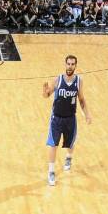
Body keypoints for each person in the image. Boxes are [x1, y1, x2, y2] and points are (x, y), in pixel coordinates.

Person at [42, 54, 91, 187]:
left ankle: (68, 158)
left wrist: (87, 114)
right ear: (65, 64)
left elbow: (81, 99)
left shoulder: (79, 81)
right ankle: (51, 171)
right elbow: (46, 95)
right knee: (53, 144)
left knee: (70, 144)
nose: (70, 66)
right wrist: (44, 90)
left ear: (75, 65)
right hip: (56, 118)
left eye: (72, 64)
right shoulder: (57, 80)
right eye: (68, 64)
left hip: (70, 118)